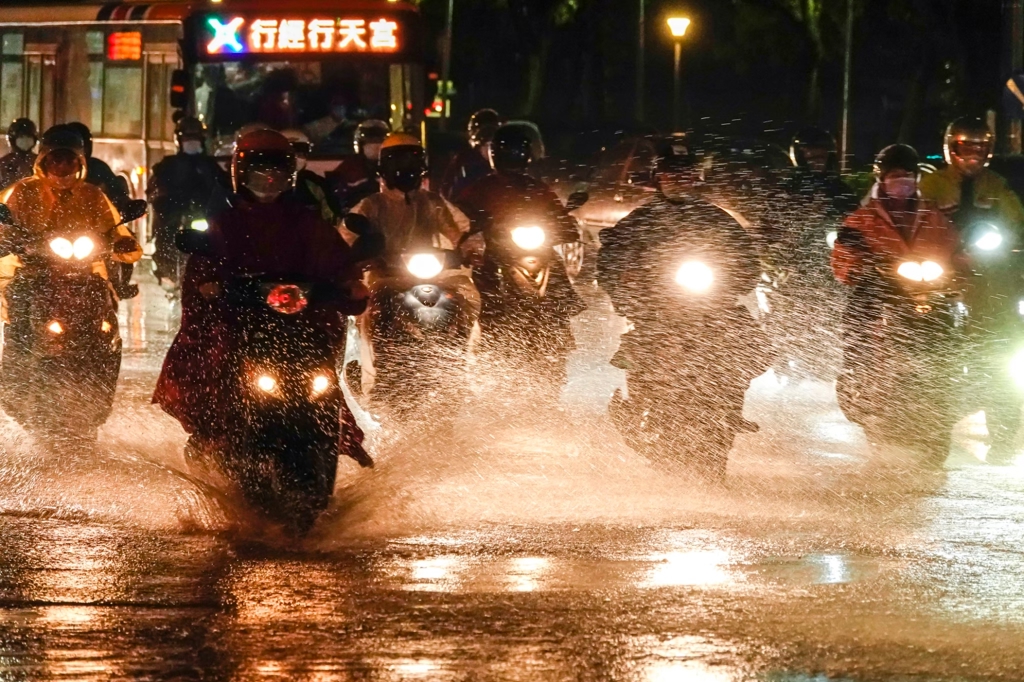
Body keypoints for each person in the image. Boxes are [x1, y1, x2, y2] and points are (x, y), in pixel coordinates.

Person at [153, 129, 371, 467]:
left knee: (326, 379)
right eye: (259, 175)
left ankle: (331, 435)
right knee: (215, 363)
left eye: (277, 175)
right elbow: (203, 271)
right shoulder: (225, 224)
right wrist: (211, 287)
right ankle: (215, 435)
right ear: (241, 176)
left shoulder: (308, 223)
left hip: (301, 329)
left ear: (290, 177)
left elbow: (336, 261)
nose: (268, 182)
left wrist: (349, 284)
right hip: (243, 324)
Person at [919, 116, 1024, 459]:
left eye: (980, 149)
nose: (973, 156)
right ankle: (925, 435)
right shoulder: (931, 185)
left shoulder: (997, 185)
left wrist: (1011, 242)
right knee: (924, 350)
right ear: (951, 149)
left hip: (987, 274)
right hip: (940, 273)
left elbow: (1015, 221)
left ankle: (1004, 435)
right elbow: (916, 219)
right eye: (966, 148)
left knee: (1001, 350)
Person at [344, 132, 480, 394]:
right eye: (398, 161)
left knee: (464, 297)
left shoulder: (433, 202)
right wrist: (362, 255)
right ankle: (379, 372)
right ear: (384, 167)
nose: (405, 168)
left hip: (434, 275)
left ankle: (460, 361)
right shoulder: (371, 205)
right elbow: (347, 237)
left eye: (412, 161)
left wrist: (471, 248)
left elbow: (461, 228)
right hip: (385, 277)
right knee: (373, 307)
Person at [0, 125, 143, 316]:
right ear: (44, 161)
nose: (62, 166)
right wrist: (12, 240)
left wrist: (121, 242)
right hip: (34, 270)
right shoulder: (24, 192)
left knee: (104, 301)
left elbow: (111, 225)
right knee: (18, 298)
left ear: (80, 162)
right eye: (56, 160)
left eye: (69, 160)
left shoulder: (92, 195)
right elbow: (7, 225)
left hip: (84, 268)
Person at [455, 124, 585, 327]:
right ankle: (489, 323)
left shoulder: (537, 188)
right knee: (484, 277)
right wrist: (476, 228)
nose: (513, 155)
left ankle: (560, 320)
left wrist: (565, 225)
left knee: (556, 266)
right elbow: (461, 215)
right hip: (497, 252)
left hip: (536, 249)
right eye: (508, 150)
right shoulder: (482, 188)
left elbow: (558, 214)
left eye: (517, 150)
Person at [147, 116, 231, 286]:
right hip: (175, 216)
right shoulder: (168, 165)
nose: (191, 142)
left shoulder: (210, 166)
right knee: (165, 238)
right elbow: (155, 190)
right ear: (179, 140)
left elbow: (224, 189)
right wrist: (164, 202)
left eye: (195, 137)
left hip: (203, 215)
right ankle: (165, 273)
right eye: (187, 138)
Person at [64, 121, 139, 299]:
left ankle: (119, 285)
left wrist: (124, 204)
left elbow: (116, 191)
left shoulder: (98, 169)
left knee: (125, 242)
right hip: (57, 233)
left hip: (95, 229)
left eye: (80, 145)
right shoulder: (50, 172)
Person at [282, 128, 343, 225]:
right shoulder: (265, 181)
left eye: (301, 151)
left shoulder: (315, 183)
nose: (295, 157)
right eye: (288, 152)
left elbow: (333, 219)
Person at [327, 119, 389, 211]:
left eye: (379, 141)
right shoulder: (349, 166)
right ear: (360, 145)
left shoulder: (392, 166)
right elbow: (335, 196)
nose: (375, 146)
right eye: (370, 141)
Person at [440, 108, 502, 200]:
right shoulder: (464, 160)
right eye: (486, 145)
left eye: (492, 145)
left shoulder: (506, 161)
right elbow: (447, 191)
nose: (489, 151)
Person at [0, 118, 38, 190]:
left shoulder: (39, 161)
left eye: (29, 137)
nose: (25, 140)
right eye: (21, 137)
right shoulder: (4, 163)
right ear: (12, 139)